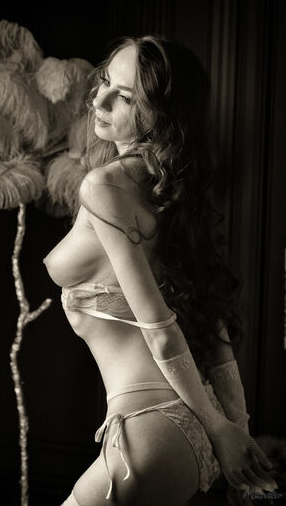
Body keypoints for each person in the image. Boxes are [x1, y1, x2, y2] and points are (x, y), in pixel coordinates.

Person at [43, 35, 278, 506]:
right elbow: (214, 332)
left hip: (150, 428)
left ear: (161, 116)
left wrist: (225, 432)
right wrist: (234, 430)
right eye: (105, 82)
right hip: (186, 431)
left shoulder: (104, 187)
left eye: (126, 98)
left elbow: (162, 331)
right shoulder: (169, 192)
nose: (99, 101)